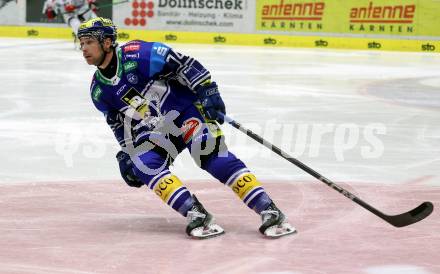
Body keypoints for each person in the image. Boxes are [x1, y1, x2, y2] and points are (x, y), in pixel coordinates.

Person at [77, 17, 296, 239]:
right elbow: (118, 124)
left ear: (107, 42)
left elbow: (184, 64)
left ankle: (268, 209)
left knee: (211, 156)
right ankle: (195, 213)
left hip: (186, 110)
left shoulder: (138, 53)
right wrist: (127, 151)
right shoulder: (98, 91)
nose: (83, 49)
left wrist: (208, 91)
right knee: (143, 164)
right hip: (157, 130)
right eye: (81, 43)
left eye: (88, 42)